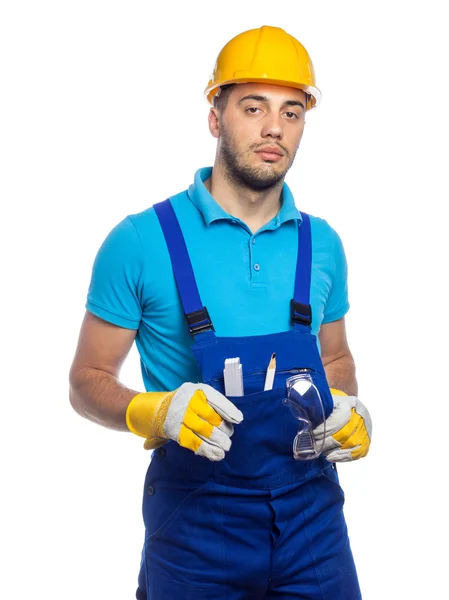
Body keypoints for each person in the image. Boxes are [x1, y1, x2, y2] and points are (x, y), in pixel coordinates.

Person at [69, 25, 372, 599]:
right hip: (195, 525)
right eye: (253, 107)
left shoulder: (322, 243)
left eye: (292, 111)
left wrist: (348, 406)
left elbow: (336, 357)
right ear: (215, 116)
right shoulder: (140, 241)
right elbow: (86, 381)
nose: (273, 129)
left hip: (313, 520)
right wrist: (156, 413)